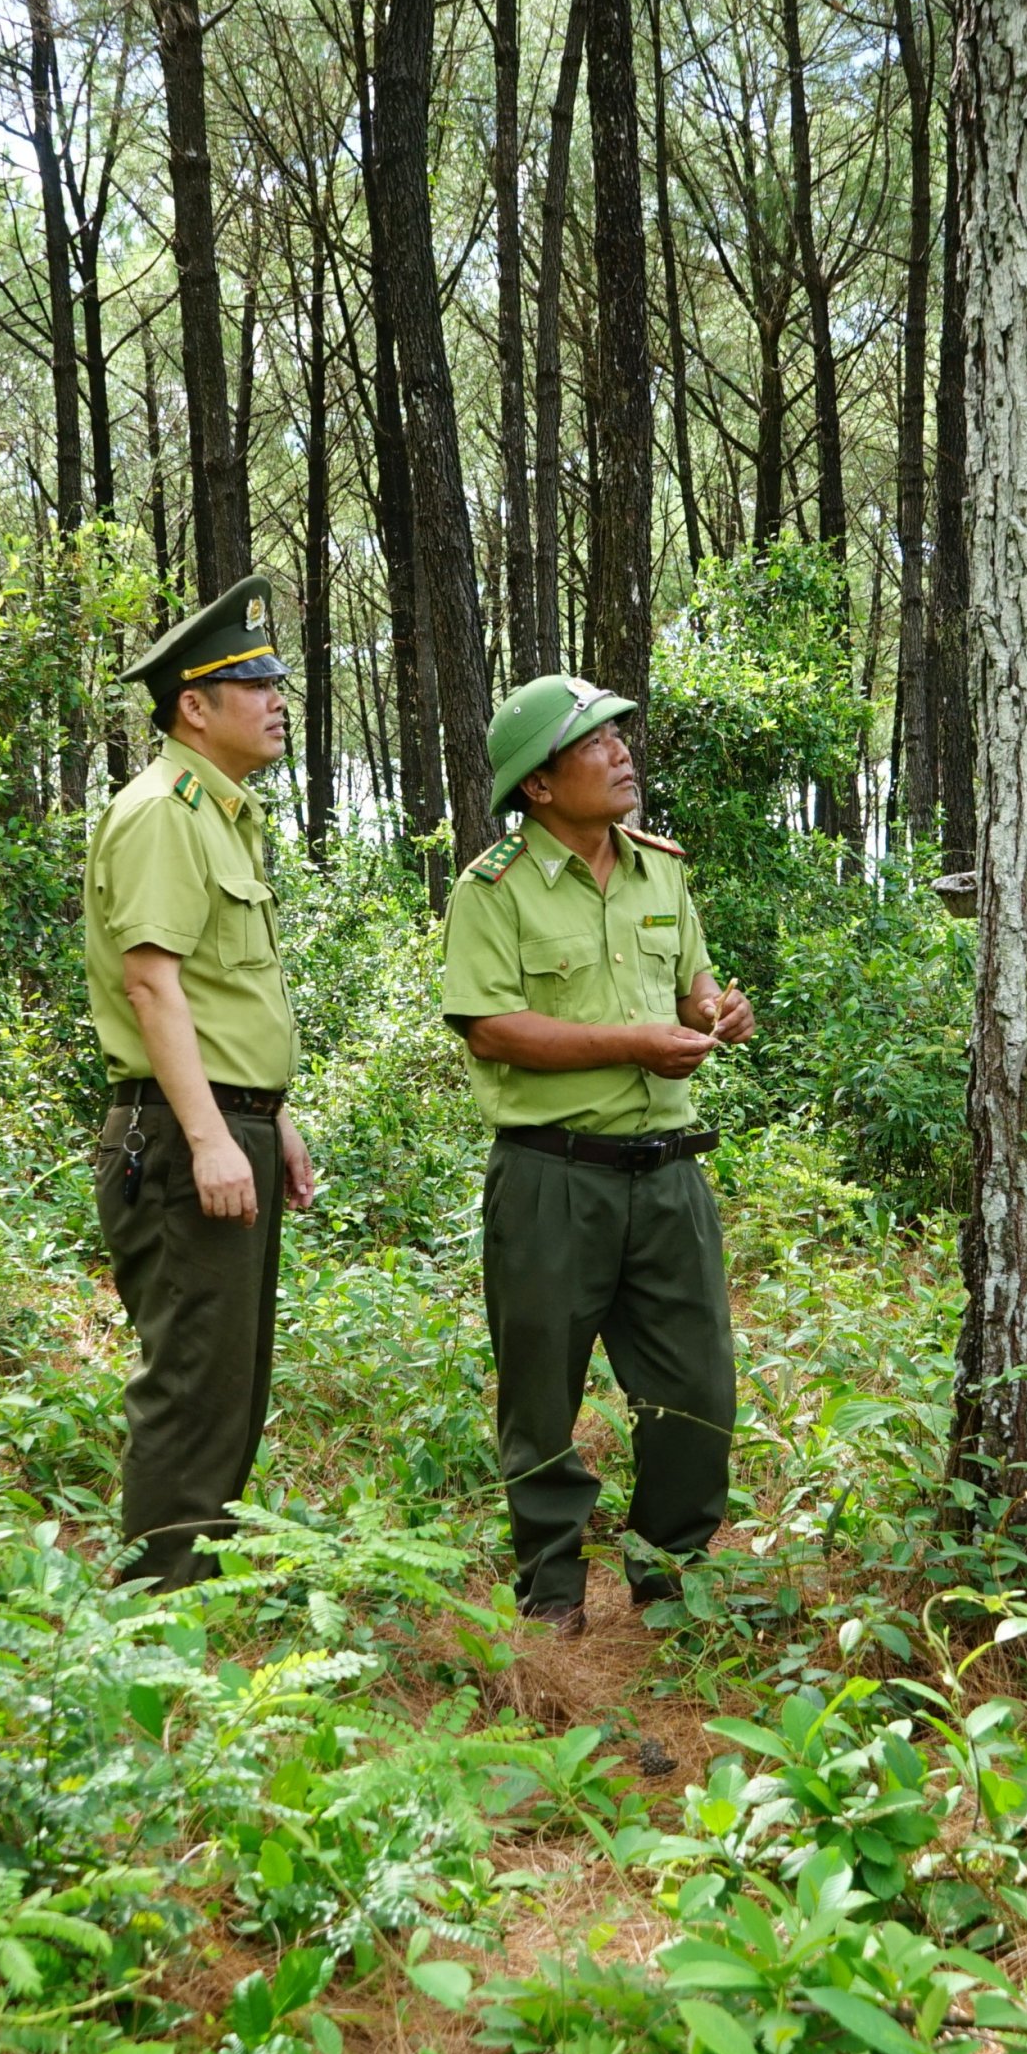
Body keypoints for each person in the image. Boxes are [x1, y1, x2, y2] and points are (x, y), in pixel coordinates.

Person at [442, 676, 757, 1633]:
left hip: (667, 1174)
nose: (623, 754)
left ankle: (671, 1576)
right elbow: (491, 1028)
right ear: (537, 785)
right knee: (541, 1391)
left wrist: (716, 1011)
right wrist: (631, 1043)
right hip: (551, 1177)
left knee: (696, 1389)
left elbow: (693, 984)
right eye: (596, 743)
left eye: (622, 736)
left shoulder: (661, 870)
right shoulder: (490, 891)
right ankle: (551, 1591)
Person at [82, 575, 319, 1590]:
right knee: (190, 1384)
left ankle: (194, 1599)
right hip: (186, 1137)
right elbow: (151, 985)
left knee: (229, 1382)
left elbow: (223, 999)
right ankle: (154, 1621)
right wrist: (216, 1137)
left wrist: (273, 1119)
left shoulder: (221, 814)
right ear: (195, 704)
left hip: (228, 1121)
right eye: (255, 681)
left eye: (278, 681)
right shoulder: (164, 813)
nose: (278, 700)